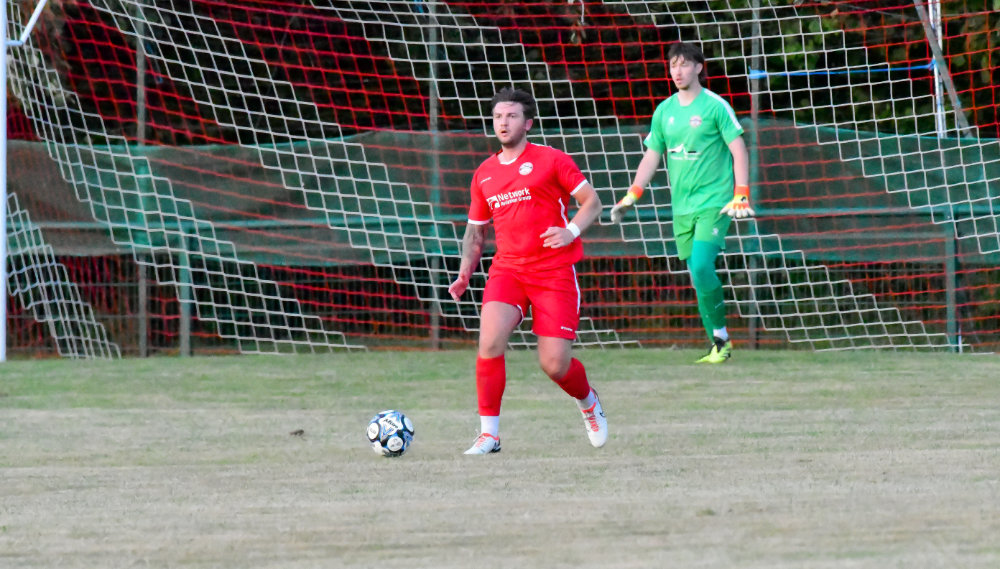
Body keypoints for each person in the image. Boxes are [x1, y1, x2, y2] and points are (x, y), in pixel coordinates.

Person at [449, 87, 607, 455]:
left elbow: (592, 203)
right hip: (508, 271)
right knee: (489, 342)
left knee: (554, 364)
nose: (503, 122)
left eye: (511, 116)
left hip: (553, 272)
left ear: (528, 123)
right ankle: (489, 435)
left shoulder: (552, 159)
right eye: (497, 117)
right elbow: (476, 231)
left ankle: (588, 401)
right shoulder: (484, 173)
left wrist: (570, 232)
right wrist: (464, 273)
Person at [609, 42, 754, 364]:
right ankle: (719, 342)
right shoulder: (664, 111)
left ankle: (721, 341)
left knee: (701, 265)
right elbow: (651, 156)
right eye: (673, 65)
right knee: (697, 275)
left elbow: (738, 149)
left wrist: (741, 192)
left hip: (714, 202)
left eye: (684, 64)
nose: (677, 71)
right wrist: (632, 194)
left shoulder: (715, 106)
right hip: (682, 208)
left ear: (699, 68)